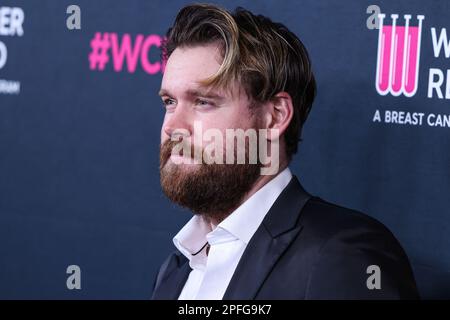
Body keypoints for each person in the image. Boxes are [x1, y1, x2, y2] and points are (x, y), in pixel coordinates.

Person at [152, 3, 419, 299]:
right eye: (169, 102)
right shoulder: (176, 268)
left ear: (275, 115)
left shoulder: (342, 257)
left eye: (203, 102)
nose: (173, 126)